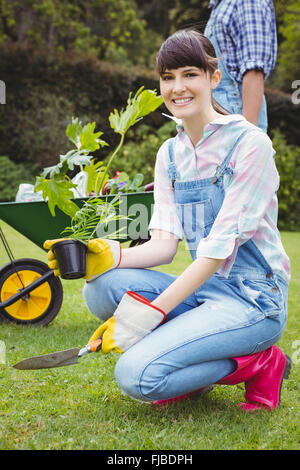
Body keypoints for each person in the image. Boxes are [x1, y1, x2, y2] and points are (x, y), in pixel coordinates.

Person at [45, 29, 291, 412]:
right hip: (206, 293)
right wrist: (110, 257)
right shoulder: (170, 155)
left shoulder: (250, 145)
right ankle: (187, 347)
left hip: (253, 300)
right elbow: (163, 245)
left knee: (136, 375)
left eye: (189, 74)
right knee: (99, 288)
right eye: (167, 77)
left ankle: (259, 362)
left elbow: (213, 253)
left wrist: (151, 313)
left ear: (213, 78)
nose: (178, 87)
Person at [204, 0, 277, 132]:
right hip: (218, 121)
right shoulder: (220, 5)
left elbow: (254, 71)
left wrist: (248, 137)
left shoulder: (248, 2)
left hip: (236, 125)